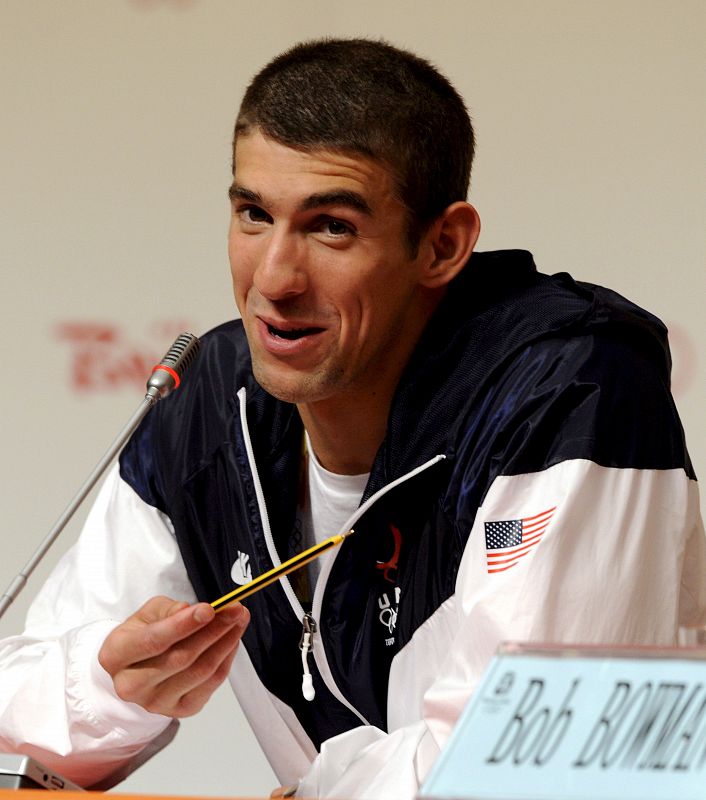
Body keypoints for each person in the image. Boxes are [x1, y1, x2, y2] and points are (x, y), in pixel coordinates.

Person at [1, 38, 705, 800]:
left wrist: (316, 792)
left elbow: (546, 772)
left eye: (330, 226)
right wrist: (112, 686)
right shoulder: (206, 404)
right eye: (252, 215)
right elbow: (32, 726)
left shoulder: (573, 390)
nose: (273, 279)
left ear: (443, 244)